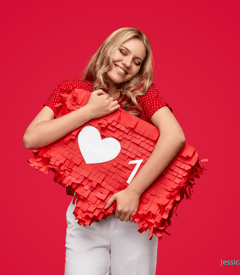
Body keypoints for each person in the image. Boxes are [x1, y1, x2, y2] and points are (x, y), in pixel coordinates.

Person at [23, 27, 185, 275]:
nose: (127, 63)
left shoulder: (142, 94)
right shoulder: (72, 88)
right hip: (86, 216)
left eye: (136, 62)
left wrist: (133, 192)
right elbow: (31, 137)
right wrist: (89, 111)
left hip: (133, 216)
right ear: (108, 48)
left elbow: (175, 136)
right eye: (123, 52)